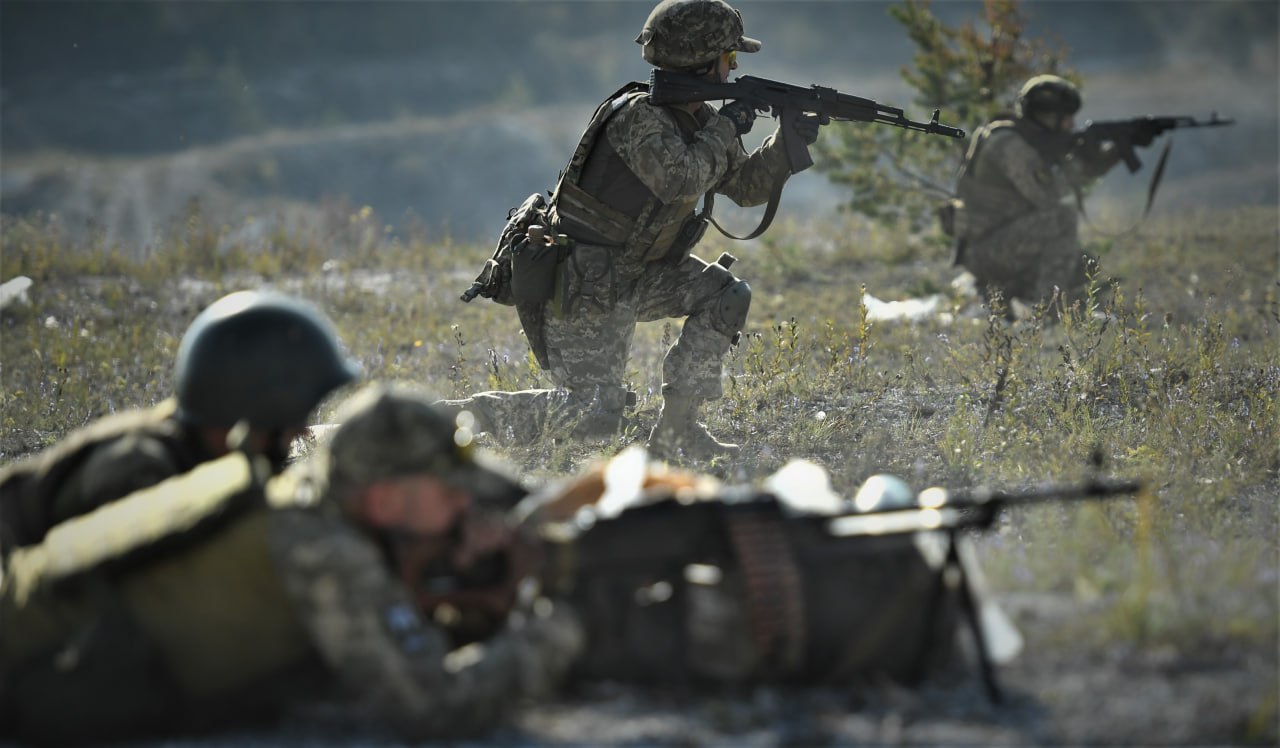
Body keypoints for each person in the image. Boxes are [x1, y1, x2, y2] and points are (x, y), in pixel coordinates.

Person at [0, 382, 584, 745]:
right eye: (448, 492)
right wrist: (554, 630)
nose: (464, 504)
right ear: (381, 499)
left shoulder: (305, 499)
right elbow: (431, 706)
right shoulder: (322, 550)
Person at [446, 0, 826, 460]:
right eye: (730, 58)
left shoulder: (700, 120)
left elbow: (744, 187)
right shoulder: (638, 118)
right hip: (587, 282)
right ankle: (451, 421)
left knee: (726, 295)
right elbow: (680, 179)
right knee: (593, 413)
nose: (733, 68)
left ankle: (676, 432)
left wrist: (787, 145)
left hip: (642, 272)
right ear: (702, 61)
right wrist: (728, 125)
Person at [0, 290, 361, 563]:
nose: (302, 435)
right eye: (294, 422)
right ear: (243, 422)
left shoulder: (201, 439)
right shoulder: (138, 473)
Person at [947, 74, 1154, 314]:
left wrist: (1115, 153)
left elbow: (1061, 183)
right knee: (1062, 217)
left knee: (1081, 265)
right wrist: (1079, 161)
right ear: (1046, 117)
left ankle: (1009, 296)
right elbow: (1046, 196)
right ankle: (1048, 311)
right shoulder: (1009, 145)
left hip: (998, 243)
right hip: (985, 251)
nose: (1071, 125)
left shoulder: (1020, 138)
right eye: (1065, 119)